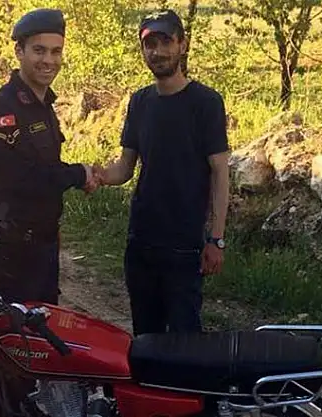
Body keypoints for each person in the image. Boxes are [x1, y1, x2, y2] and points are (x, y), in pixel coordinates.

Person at [0, 8, 97, 416]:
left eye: (56, 51)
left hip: (43, 247)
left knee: (39, 343)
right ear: (20, 51)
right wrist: (80, 174)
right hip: (13, 250)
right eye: (39, 50)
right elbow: (23, 178)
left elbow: (45, 171)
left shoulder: (44, 105)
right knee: (8, 348)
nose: (49, 60)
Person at [93, 9, 230, 336]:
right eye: (150, 44)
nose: (157, 51)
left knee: (185, 340)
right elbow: (125, 168)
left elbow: (220, 174)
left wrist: (216, 239)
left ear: (183, 44)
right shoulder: (139, 102)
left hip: (184, 245)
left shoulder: (206, 102)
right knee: (145, 336)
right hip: (141, 241)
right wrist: (96, 176)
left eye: (166, 41)